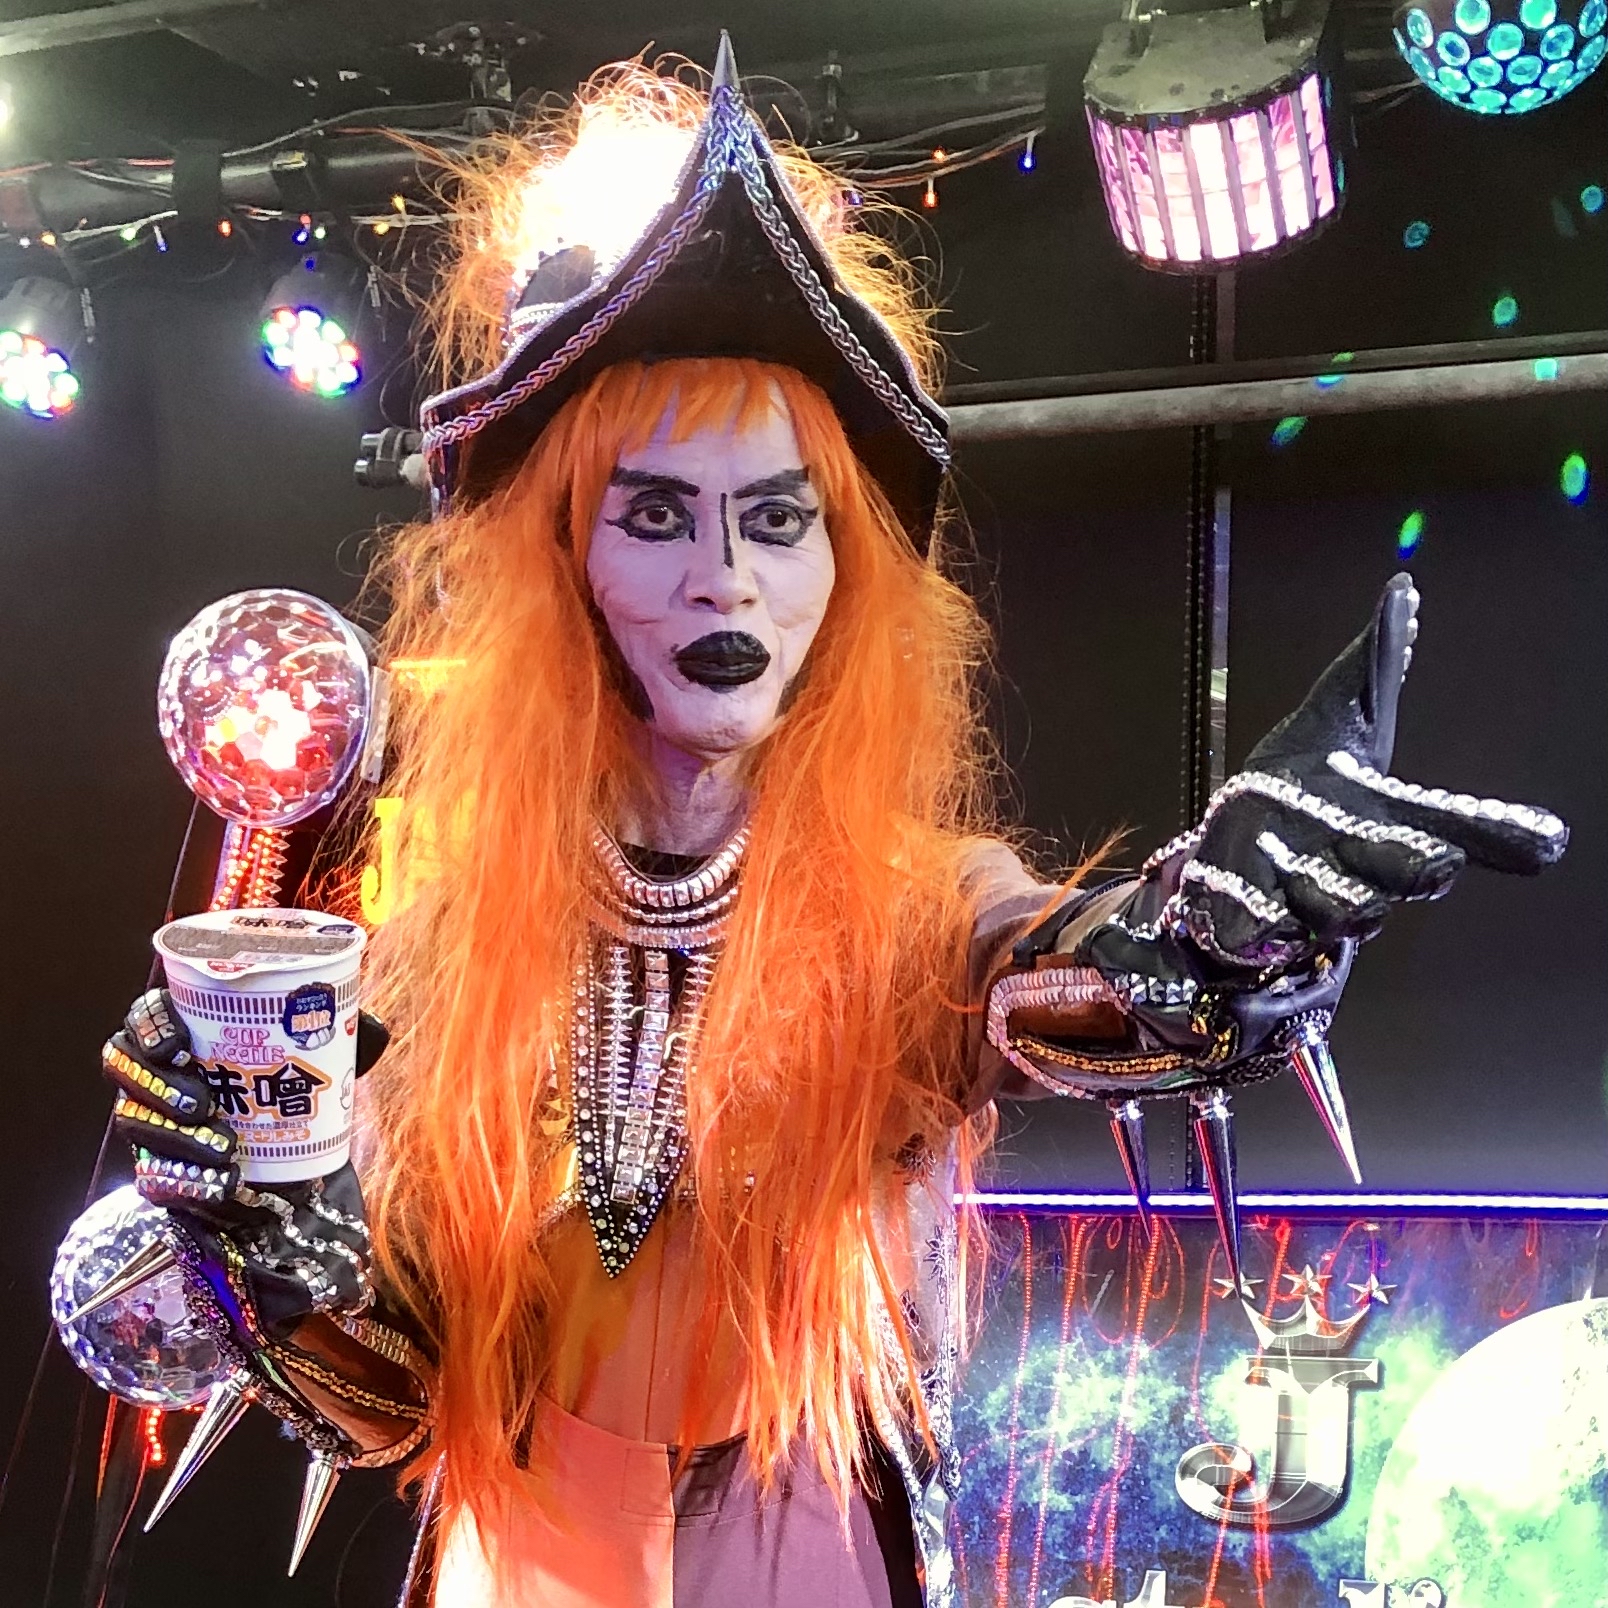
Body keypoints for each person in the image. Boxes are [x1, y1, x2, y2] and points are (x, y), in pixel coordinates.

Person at [88, 42, 1566, 1608]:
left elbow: (1064, 976)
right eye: (655, 513)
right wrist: (262, 1233)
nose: (723, 576)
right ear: (566, 558)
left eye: (777, 517)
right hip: (517, 1553)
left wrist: (1210, 934)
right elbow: (388, 1402)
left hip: (803, 1541)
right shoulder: (443, 950)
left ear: (842, 563)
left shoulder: (909, 911)